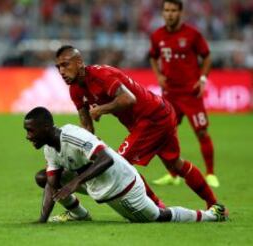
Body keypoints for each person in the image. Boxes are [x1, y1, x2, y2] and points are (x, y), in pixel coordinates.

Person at [54, 44, 218, 210]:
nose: (61, 71)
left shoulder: (101, 75)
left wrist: (101, 110)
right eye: (58, 67)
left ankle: (158, 208)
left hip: (152, 118)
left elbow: (128, 99)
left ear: (79, 62)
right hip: (159, 115)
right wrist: (85, 150)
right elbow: (87, 125)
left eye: (65, 65)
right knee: (175, 164)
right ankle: (215, 204)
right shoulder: (75, 90)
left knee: (120, 164)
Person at [23, 106, 227, 223]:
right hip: (98, 184)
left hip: (123, 185)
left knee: (158, 217)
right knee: (44, 178)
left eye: (31, 131)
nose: (28, 136)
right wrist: (42, 221)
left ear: (46, 127)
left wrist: (75, 182)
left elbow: (106, 158)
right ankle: (80, 215)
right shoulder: (49, 149)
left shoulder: (72, 135)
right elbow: (52, 182)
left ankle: (211, 215)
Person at [149, 0, 219, 187]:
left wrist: (202, 79)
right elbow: (153, 56)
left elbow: (207, 56)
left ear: (181, 13)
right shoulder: (157, 36)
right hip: (170, 94)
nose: (169, 14)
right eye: (166, 10)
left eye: (173, 10)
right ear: (163, 13)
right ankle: (173, 175)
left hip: (191, 94)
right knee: (166, 134)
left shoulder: (193, 34)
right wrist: (159, 76)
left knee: (202, 132)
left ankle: (210, 173)